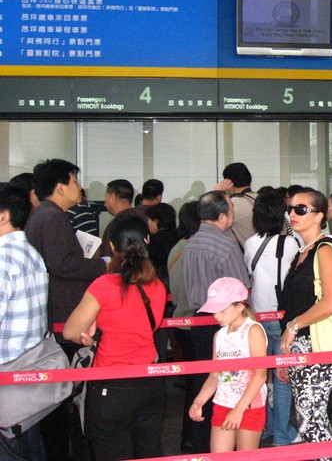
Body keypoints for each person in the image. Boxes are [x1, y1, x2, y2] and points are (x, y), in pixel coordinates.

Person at [63, 214, 167, 461]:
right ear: (147, 239)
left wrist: (94, 331)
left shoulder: (104, 285)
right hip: (150, 381)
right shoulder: (158, 285)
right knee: (148, 452)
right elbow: (147, 327)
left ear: (111, 246)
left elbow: (70, 332)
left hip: (111, 385)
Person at [26, 159, 105, 460]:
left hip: (55, 312)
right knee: (64, 396)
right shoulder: (53, 217)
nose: (79, 188)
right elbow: (65, 264)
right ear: (60, 187)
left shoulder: (44, 215)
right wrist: (102, 265)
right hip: (62, 316)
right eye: (74, 181)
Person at [277, 188, 332, 460]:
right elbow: (294, 305)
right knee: (308, 418)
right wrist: (287, 350)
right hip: (301, 344)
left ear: (319, 216)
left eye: (301, 209)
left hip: (318, 342)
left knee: (310, 419)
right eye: (290, 209)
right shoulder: (302, 252)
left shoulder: (324, 250)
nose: (292, 214)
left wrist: (293, 327)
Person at [182, 190, 251, 453]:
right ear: (222, 216)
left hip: (198, 320)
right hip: (224, 321)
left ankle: (198, 441)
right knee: (227, 383)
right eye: (231, 207)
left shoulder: (190, 243)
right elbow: (241, 289)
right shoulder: (225, 245)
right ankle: (224, 442)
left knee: (203, 380)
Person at [245, 191, 300, 446]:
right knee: (282, 379)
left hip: (257, 318)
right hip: (281, 318)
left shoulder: (250, 243)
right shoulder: (291, 243)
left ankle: (264, 426)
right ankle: (281, 434)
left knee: (259, 377)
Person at [189, 278, 268, 453]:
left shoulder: (253, 331)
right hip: (222, 403)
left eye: (222, 310)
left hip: (249, 406)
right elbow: (214, 375)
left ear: (240, 306)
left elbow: (260, 375)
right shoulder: (219, 335)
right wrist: (199, 401)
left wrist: (238, 410)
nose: (216, 315)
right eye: (214, 310)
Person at [0, 184, 49, 460]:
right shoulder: (31, 253)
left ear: (3, 216)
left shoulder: (2, 259)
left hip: (5, 375)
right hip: (28, 372)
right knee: (28, 443)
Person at [166, 201, 202, 453]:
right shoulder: (199, 249)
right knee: (201, 384)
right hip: (199, 324)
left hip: (181, 323)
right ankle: (195, 436)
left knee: (192, 384)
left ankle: (187, 437)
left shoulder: (176, 248)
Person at [222, 162, 258, 249]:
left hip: (244, 256)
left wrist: (215, 191)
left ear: (228, 182)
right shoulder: (262, 199)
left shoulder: (231, 205)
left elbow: (208, 225)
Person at [145, 202, 180, 286]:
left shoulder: (155, 241)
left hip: (161, 283)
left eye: (149, 219)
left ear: (156, 221)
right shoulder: (179, 237)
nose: (148, 223)